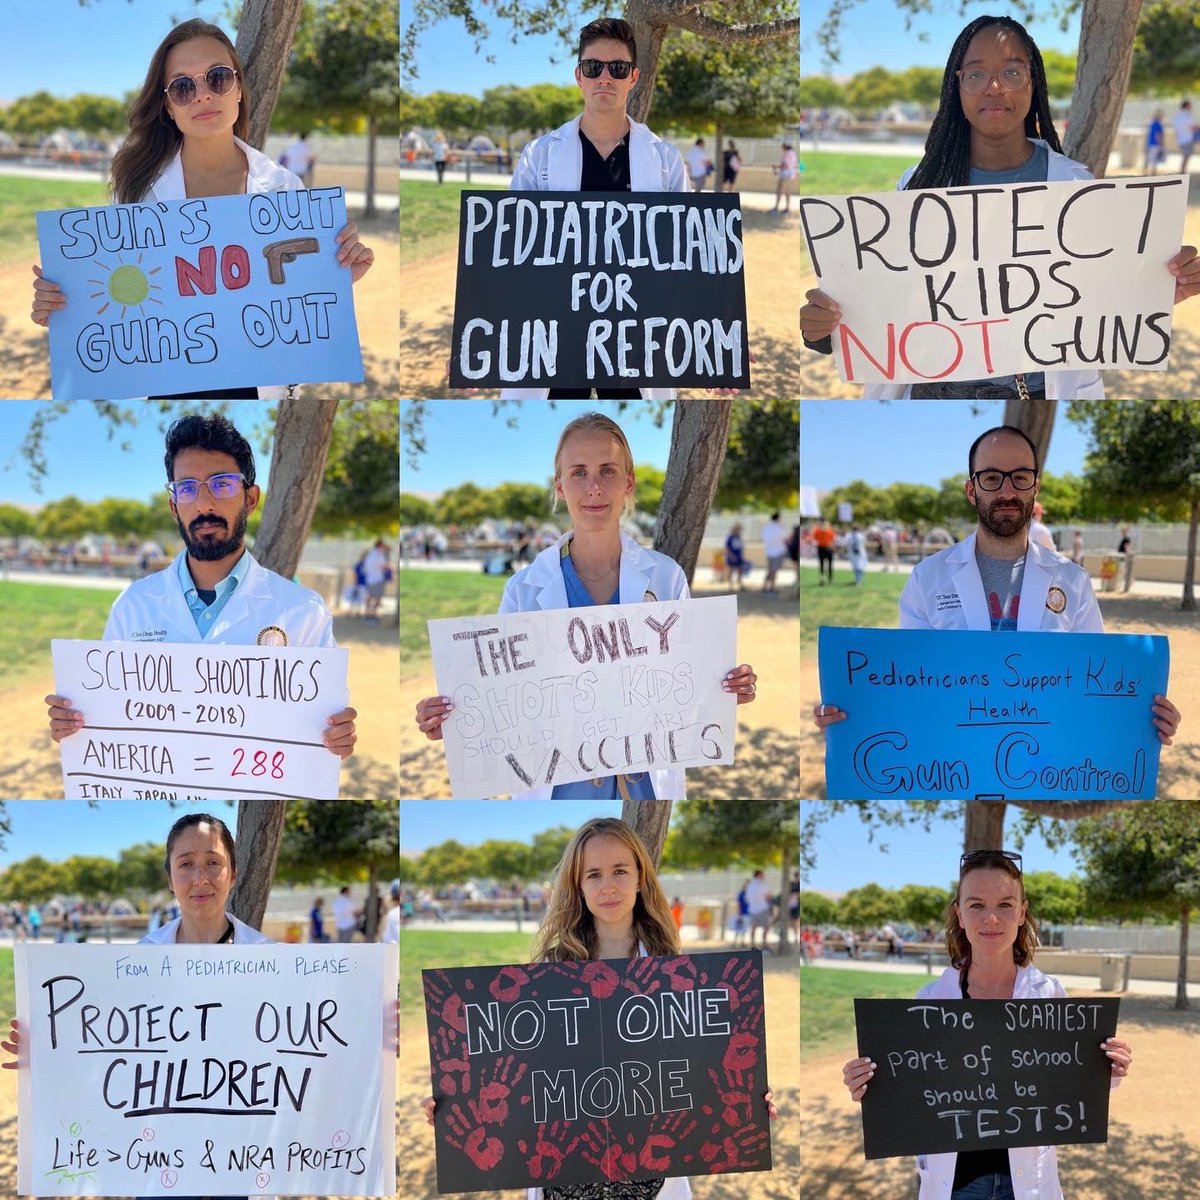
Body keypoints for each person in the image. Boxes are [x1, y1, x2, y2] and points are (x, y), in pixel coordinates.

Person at [800, 15, 1200, 401]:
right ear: (957, 87)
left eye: (1012, 72)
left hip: (1039, 390)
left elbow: (1093, 298)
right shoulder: (917, 187)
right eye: (975, 74)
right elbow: (886, 304)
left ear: (1033, 82)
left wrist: (1150, 290)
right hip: (932, 393)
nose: (994, 87)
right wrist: (823, 330)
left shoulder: (1076, 187)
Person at [420, 816, 778, 1200]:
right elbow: (520, 1075)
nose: (608, 886)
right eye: (593, 875)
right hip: (564, 1181)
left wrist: (748, 1098)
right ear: (579, 886)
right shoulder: (548, 971)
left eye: (620, 870)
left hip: (653, 1178)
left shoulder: (676, 972)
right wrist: (457, 1103)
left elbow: (699, 1069)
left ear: (640, 877)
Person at [415, 413, 758, 799]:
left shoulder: (666, 578)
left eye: (607, 471)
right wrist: (454, 717)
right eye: (578, 472)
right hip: (558, 789)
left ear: (628, 483)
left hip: (645, 785)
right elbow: (500, 699)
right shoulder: (524, 590)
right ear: (560, 486)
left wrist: (724, 689)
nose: (594, 487)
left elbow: (686, 686)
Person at [29, 18, 374, 401]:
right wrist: (66, 305)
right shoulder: (136, 193)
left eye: (218, 78)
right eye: (182, 86)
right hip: (164, 386)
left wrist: (334, 274)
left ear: (238, 88)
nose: (203, 95)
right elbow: (116, 300)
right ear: (167, 106)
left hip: (255, 385)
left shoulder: (284, 188)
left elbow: (290, 300)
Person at [812, 425, 1181, 743]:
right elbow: (909, 686)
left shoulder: (1072, 581)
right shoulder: (928, 578)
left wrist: (1145, 721)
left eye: (1020, 477)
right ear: (971, 490)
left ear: (1035, 487)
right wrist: (852, 712)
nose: (1007, 491)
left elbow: (1096, 687)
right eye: (991, 478)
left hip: (1049, 768)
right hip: (953, 765)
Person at [44, 414, 358, 760]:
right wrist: (75, 724)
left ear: (250, 499)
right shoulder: (133, 605)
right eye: (187, 488)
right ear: (173, 506)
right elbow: (109, 714)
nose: (204, 504)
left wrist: (338, 736)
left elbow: (328, 720)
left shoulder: (303, 612)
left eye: (222, 484)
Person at [842, 849, 1133, 1200]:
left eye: (1005, 905)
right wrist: (870, 1084)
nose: (991, 918)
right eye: (977, 905)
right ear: (959, 914)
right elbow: (905, 1091)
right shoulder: (929, 1002)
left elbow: (1069, 1081)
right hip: (955, 1184)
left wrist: (1107, 1069)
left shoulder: (1049, 994)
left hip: (1027, 1182)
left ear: (1022, 912)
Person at [744, 868, 772, 951]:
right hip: (763, 908)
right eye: (762, 875)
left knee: (753, 928)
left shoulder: (749, 886)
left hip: (752, 909)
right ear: (759, 875)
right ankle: (764, 944)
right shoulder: (763, 885)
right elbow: (769, 896)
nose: (764, 876)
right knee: (766, 927)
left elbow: (747, 899)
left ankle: (752, 945)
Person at [363, 538, 390, 624]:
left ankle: (367, 614)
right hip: (377, 579)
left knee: (369, 598)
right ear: (380, 545)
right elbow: (384, 566)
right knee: (377, 599)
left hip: (370, 579)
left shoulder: (370, 554)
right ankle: (373, 615)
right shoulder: (379, 555)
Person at [761, 510, 788, 595]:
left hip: (769, 552)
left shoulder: (767, 527)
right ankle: (771, 588)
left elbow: (765, 539)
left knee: (770, 570)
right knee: (773, 571)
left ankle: (765, 587)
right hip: (778, 552)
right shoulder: (779, 527)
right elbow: (785, 537)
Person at [724, 522, 750, 591]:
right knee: (731, 571)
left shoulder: (739, 537)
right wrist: (731, 556)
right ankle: (730, 586)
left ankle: (740, 584)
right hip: (732, 557)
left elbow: (740, 548)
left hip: (738, 557)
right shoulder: (730, 537)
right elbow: (727, 548)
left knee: (740, 571)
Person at [773, 141, 798, 212]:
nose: (782, 147)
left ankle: (776, 208)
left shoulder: (787, 153)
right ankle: (787, 208)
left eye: (783, 145)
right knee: (787, 192)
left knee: (779, 191)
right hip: (790, 175)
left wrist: (776, 166)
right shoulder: (793, 153)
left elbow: (785, 165)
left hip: (785, 175)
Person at [1173, 100, 1195, 175]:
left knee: (1186, 156)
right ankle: (1182, 172)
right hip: (1187, 139)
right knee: (1186, 156)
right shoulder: (1186, 115)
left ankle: (1182, 172)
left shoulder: (1178, 115)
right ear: (1186, 106)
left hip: (1181, 139)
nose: (1191, 107)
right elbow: (1192, 126)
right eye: (1190, 105)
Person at [813, 519, 836, 585]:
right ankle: (822, 578)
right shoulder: (818, 530)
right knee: (821, 564)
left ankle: (830, 578)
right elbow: (815, 538)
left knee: (830, 564)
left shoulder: (830, 530)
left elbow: (833, 539)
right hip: (821, 548)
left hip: (828, 548)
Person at [1147, 108, 1166, 174]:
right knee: (1154, 160)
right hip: (1155, 144)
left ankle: (1152, 172)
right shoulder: (1157, 124)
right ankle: (1152, 172)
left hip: (1152, 144)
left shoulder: (1153, 123)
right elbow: (1158, 135)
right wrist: (1161, 144)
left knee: (1152, 160)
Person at [1118, 526, 1135, 592]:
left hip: (1124, 557)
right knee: (1123, 571)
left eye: (1124, 531)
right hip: (1121, 557)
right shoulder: (1124, 539)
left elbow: (1127, 548)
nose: (1123, 532)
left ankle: (1130, 581)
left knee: (1124, 570)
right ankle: (1129, 582)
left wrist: (1127, 555)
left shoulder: (1126, 539)